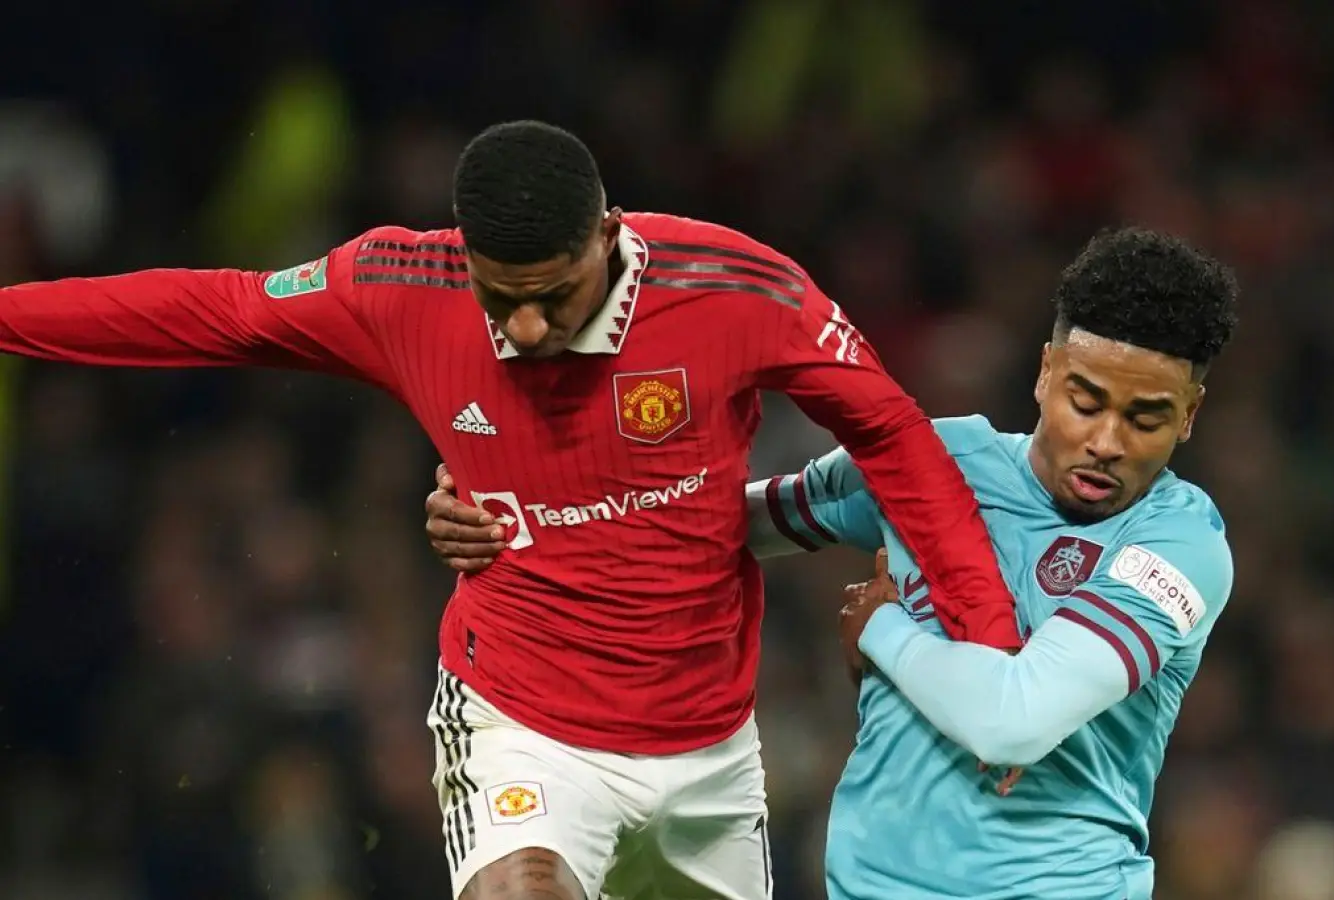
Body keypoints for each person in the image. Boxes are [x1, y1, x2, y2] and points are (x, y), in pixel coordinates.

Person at [0, 120, 1028, 900]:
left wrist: (989, 659)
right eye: (502, 298)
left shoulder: (736, 290)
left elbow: (897, 440)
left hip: (708, 745)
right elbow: (213, 310)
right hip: (520, 723)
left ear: (611, 235)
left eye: (556, 293)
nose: (528, 326)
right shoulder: (402, 284)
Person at [424, 227, 1240, 900]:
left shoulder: (1176, 547)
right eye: (1085, 401)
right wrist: (514, 504)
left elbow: (1014, 719)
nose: (1104, 442)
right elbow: (713, 524)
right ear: (1044, 373)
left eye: (1145, 418)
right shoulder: (937, 463)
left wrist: (881, 628)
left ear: (1190, 417)